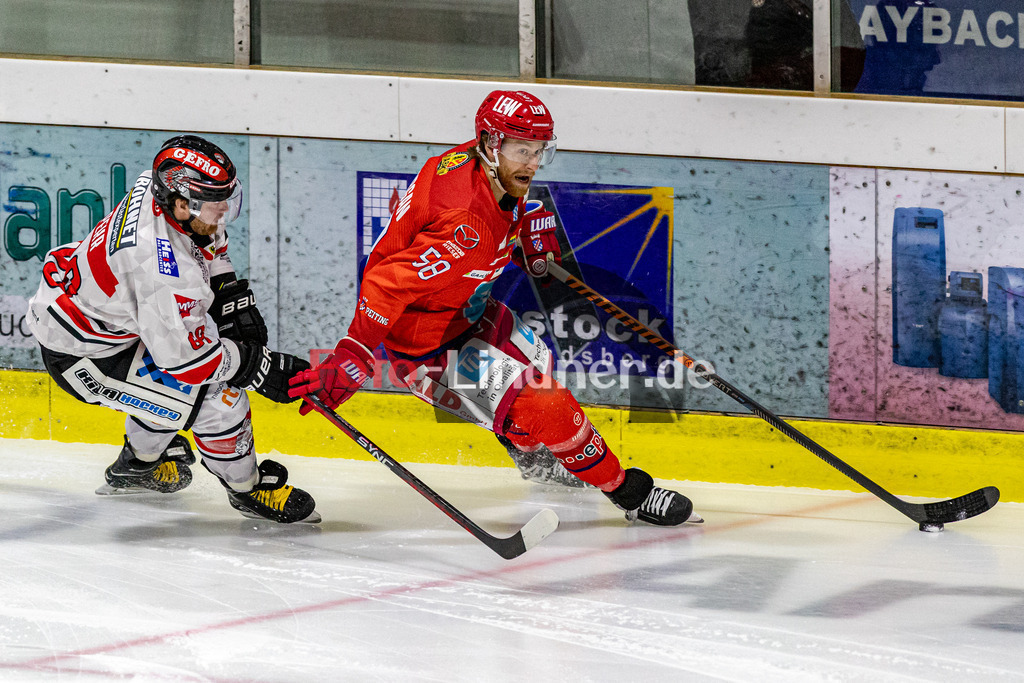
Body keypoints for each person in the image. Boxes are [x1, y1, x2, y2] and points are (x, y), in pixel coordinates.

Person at [289, 90, 702, 527]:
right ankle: (629, 493)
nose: (532, 163)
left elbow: (480, 220)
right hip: (432, 350)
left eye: (539, 151)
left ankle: (527, 450)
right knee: (548, 406)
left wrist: (520, 234)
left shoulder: (471, 162)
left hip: (470, 310)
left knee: (538, 375)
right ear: (491, 143)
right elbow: (384, 284)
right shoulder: (465, 226)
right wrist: (354, 354)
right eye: (523, 150)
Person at [25, 135, 319, 524]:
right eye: (215, 202)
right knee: (218, 397)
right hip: (85, 355)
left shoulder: (156, 188)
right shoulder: (164, 271)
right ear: (181, 204)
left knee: (170, 394)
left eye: (227, 197)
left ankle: (136, 466)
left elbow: (207, 241)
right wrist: (259, 366)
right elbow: (191, 364)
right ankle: (247, 489)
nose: (224, 210)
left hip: (102, 316)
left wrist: (228, 290)